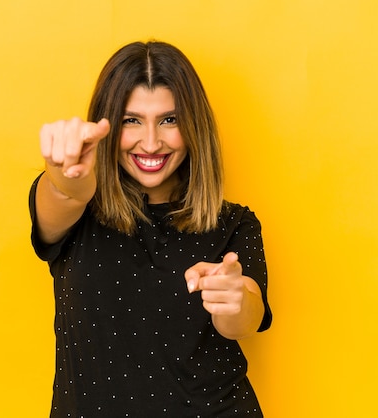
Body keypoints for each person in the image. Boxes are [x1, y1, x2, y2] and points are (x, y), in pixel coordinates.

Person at [29, 40, 272, 417]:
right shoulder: (78, 214)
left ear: (194, 126)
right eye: (132, 120)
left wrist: (234, 298)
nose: (152, 142)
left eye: (169, 120)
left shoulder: (235, 224)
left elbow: (246, 316)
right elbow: (64, 192)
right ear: (106, 125)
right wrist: (65, 170)